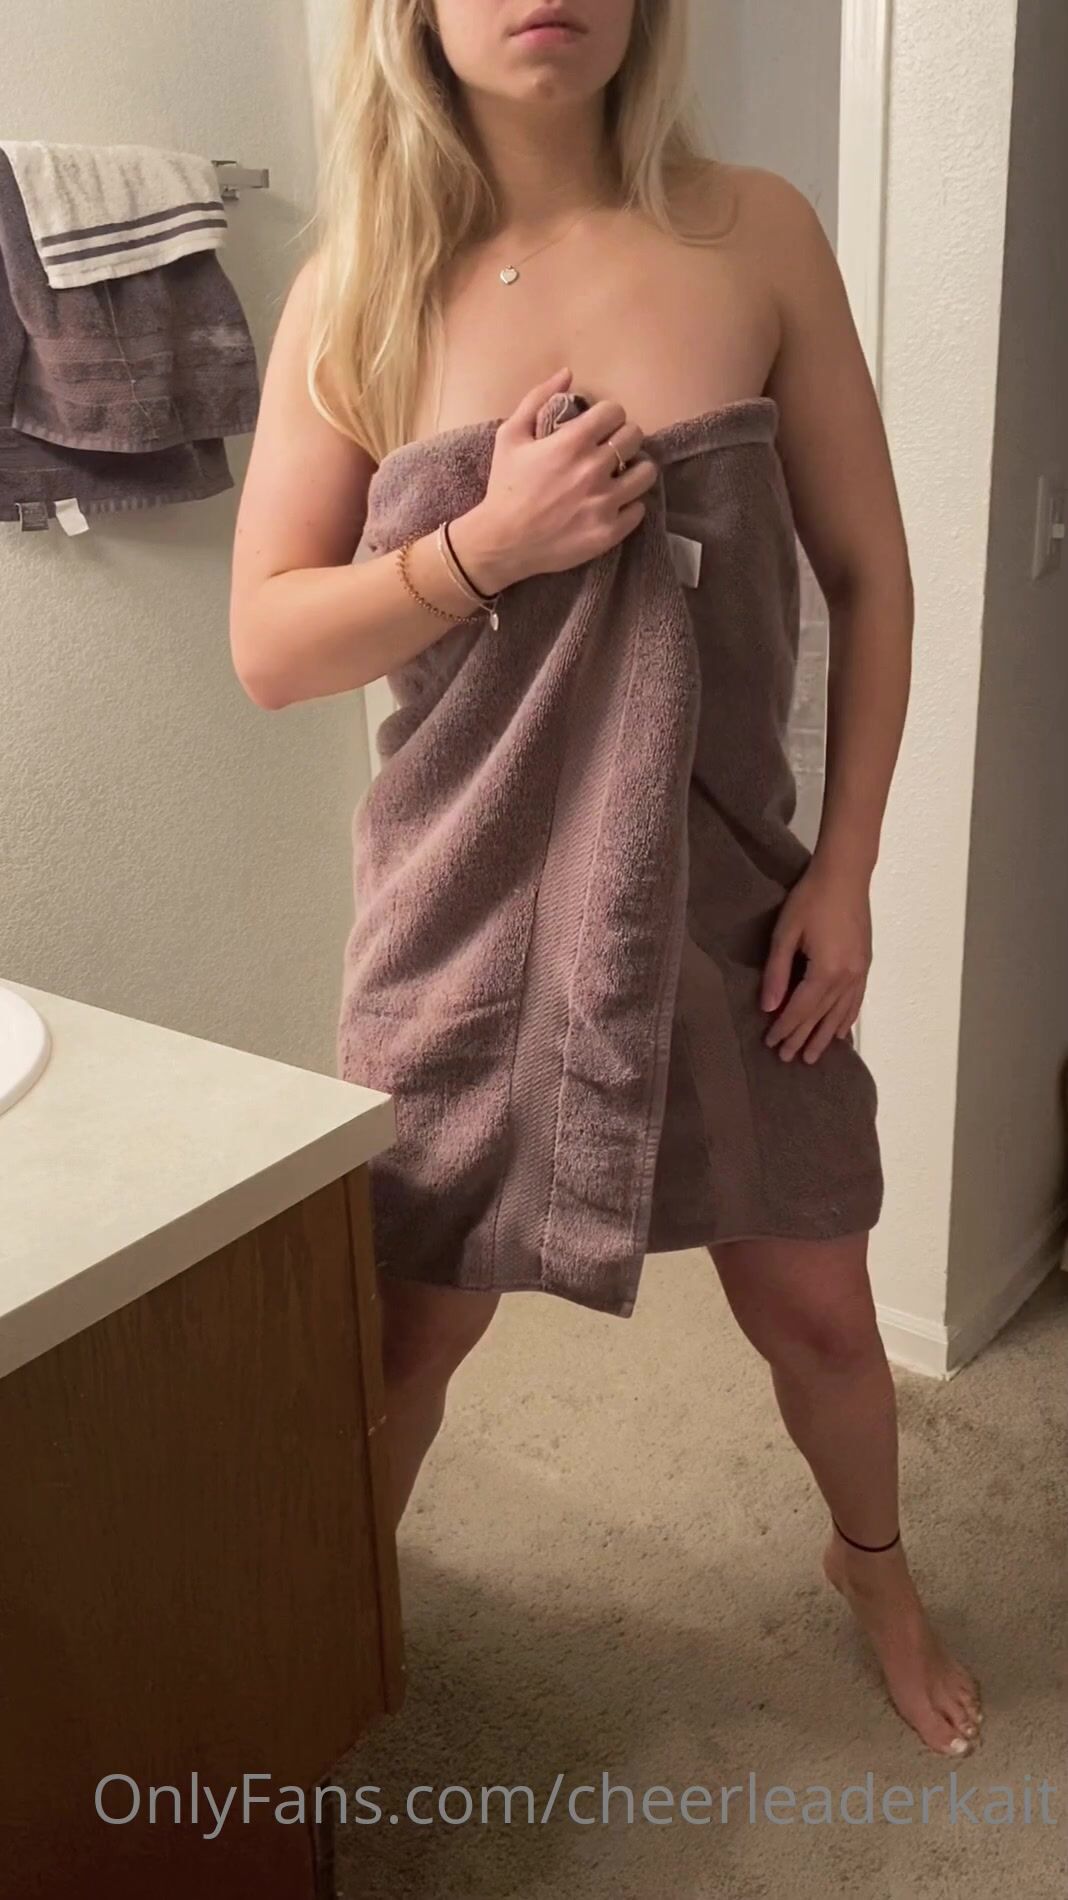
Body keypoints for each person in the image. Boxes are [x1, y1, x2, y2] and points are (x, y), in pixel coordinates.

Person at [229, 0, 981, 1758]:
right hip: (465, 915)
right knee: (408, 1334)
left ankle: (873, 1568)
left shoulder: (758, 232)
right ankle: (328, 1630)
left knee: (819, 1306)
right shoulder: (357, 288)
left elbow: (872, 574)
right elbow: (269, 645)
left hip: (733, 894)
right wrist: (486, 544)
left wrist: (849, 871)